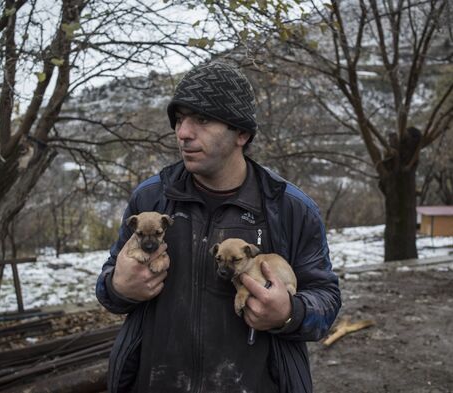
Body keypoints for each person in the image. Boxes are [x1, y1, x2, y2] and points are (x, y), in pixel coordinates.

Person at [96, 61, 341, 393]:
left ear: (242, 133)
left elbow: (326, 302)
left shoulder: (289, 209)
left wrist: (289, 312)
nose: (183, 133)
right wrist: (118, 286)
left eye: (202, 119)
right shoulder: (151, 200)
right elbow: (108, 287)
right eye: (180, 119)